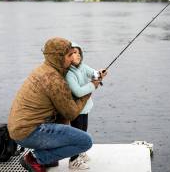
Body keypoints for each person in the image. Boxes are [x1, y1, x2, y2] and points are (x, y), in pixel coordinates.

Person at [7, 37, 101, 172]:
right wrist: (91, 87)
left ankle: (47, 159)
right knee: (85, 141)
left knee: (61, 118)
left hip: (18, 129)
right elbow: (72, 113)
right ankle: (35, 158)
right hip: (30, 132)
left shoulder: (43, 69)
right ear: (59, 57)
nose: (72, 58)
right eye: (69, 55)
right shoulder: (54, 80)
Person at [65, 43, 107, 168]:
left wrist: (100, 73)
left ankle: (80, 153)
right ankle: (73, 161)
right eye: (73, 53)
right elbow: (77, 92)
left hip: (85, 107)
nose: (77, 55)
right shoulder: (69, 74)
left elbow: (93, 73)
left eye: (78, 52)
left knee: (84, 131)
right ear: (67, 57)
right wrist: (93, 85)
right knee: (77, 135)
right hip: (76, 109)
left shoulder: (83, 67)